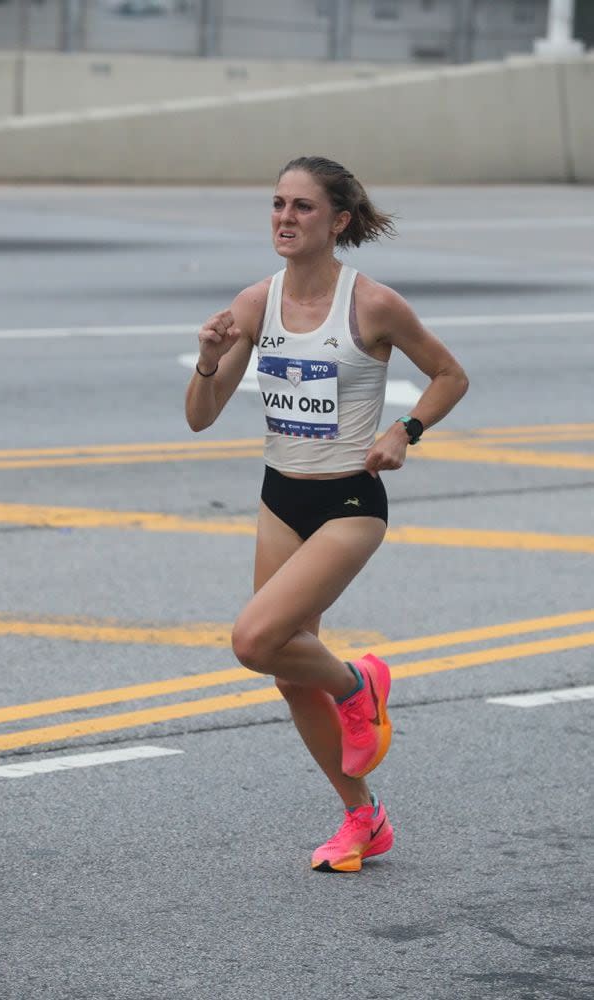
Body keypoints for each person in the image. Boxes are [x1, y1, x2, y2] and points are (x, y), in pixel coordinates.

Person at [185, 155, 468, 873]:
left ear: (337, 221)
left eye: (302, 207)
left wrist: (405, 432)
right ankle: (362, 818)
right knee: (286, 671)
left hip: (348, 499)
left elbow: (448, 374)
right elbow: (198, 419)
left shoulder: (371, 304)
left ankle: (357, 683)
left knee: (254, 639)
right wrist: (210, 359)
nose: (284, 217)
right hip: (281, 496)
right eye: (277, 204)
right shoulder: (256, 302)